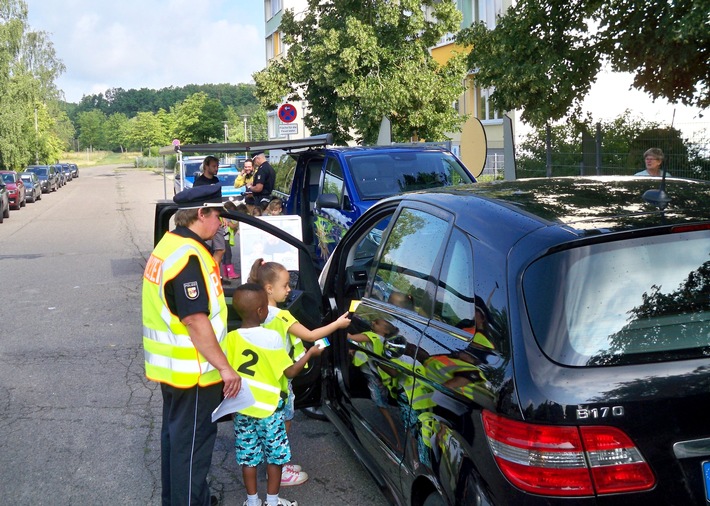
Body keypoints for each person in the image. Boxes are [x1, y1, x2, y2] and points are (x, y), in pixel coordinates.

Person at [142, 184, 241, 506]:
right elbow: (195, 320)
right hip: (195, 373)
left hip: (173, 370)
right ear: (201, 214)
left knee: (176, 441)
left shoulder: (169, 245)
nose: (223, 222)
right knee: (192, 448)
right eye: (218, 215)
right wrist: (226, 368)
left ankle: (182, 499)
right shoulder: (188, 257)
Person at [248, 258, 351, 486]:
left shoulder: (256, 313)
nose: (289, 289)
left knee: (269, 426)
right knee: (282, 423)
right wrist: (337, 324)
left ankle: (276, 464)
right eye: (285, 285)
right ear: (269, 289)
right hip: (281, 382)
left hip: (263, 379)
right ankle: (280, 469)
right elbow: (312, 336)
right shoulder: (282, 316)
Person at [227, 283, 326, 506]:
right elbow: (290, 371)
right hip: (270, 410)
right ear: (262, 311)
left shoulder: (231, 338)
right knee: (275, 457)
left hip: (242, 409)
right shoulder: (271, 339)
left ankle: (252, 502)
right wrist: (309, 352)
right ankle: (272, 501)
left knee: (248, 458)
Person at [193, 156, 228, 280]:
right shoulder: (199, 183)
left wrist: (222, 214)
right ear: (206, 166)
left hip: (216, 218)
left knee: (220, 249)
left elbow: (218, 201)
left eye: (217, 166)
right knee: (203, 250)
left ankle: (214, 275)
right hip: (204, 221)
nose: (216, 168)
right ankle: (206, 276)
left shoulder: (217, 180)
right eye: (214, 166)